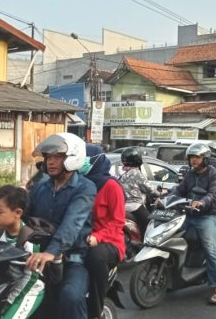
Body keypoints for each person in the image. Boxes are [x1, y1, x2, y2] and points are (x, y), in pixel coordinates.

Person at [25, 133, 97, 319]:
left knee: (70, 297)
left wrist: (53, 251)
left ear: (73, 158)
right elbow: (19, 213)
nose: (51, 161)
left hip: (72, 258)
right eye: (48, 157)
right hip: (37, 255)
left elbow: (72, 223)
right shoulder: (40, 186)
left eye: (57, 157)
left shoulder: (85, 187)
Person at [0, 185, 45, 318]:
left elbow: (30, 278)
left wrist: (10, 300)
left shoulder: (29, 240)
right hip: (4, 287)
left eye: (0, 212)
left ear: (18, 213)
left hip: (27, 290)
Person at [172, 143, 216, 305]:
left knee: (210, 249)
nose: (194, 160)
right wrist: (166, 197)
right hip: (188, 214)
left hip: (207, 216)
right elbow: (179, 190)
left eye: (197, 157)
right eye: (191, 157)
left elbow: (213, 195)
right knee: (170, 238)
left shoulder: (215, 175)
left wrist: (200, 203)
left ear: (205, 159)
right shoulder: (190, 174)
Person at [82, 145, 125, 319]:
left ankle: (95, 311)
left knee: (95, 256)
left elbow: (118, 221)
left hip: (110, 241)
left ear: (96, 160)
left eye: (85, 159)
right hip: (83, 237)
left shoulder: (111, 186)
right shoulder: (80, 182)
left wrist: (98, 237)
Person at [117, 147, 158, 236]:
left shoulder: (121, 172)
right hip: (134, 206)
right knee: (150, 223)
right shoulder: (135, 172)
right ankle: (145, 242)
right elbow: (149, 188)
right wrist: (159, 193)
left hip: (122, 206)